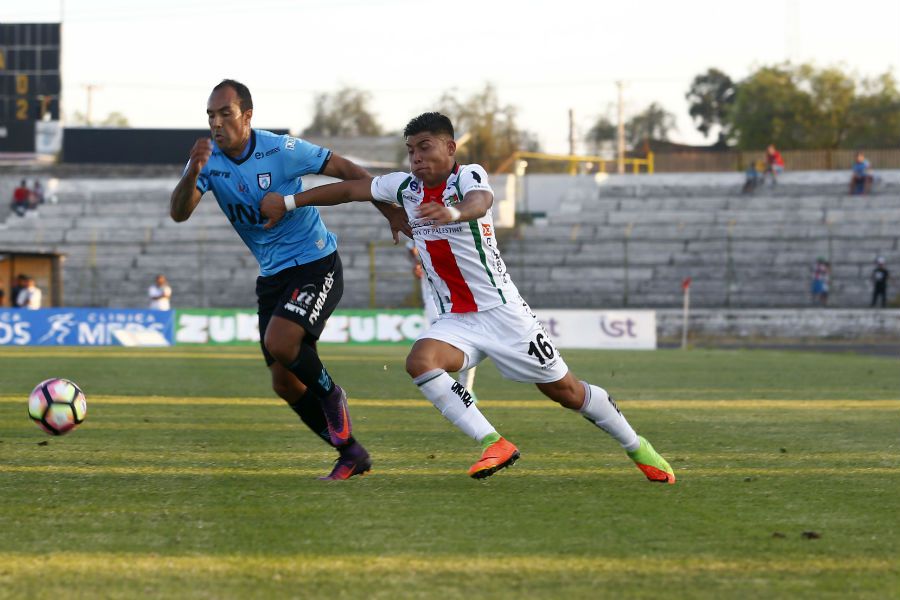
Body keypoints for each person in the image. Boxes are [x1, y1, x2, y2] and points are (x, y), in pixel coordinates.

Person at [262, 112, 675, 483]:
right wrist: (291, 200)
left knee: (567, 392)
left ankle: (637, 446)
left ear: (450, 148)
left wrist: (454, 213)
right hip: (457, 319)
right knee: (419, 362)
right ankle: (493, 442)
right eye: (410, 151)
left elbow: (481, 203)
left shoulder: (466, 178)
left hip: (505, 315)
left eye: (425, 147)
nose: (416, 158)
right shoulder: (404, 187)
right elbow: (352, 190)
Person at [169, 79, 410, 481]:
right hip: (273, 276)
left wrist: (388, 211)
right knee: (283, 381)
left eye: (225, 114)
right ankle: (350, 452)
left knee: (280, 342)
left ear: (246, 116)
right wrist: (192, 172)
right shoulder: (205, 161)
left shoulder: (280, 149)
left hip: (316, 262)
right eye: (210, 115)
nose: (216, 123)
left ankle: (332, 396)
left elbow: (346, 170)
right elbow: (179, 212)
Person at [407, 239, 479, 401]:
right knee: (438, 345)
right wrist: (416, 264)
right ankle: (452, 389)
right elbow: (412, 251)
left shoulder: (455, 232)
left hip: (459, 295)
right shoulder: (417, 228)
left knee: (468, 342)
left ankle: (466, 390)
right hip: (434, 299)